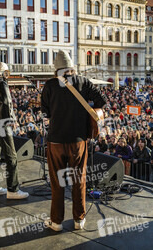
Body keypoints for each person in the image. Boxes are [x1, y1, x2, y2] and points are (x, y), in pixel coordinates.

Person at [41, 50, 106, 232]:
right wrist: (86, 112)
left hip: (56, 142)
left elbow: (45, 113)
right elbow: (102, 101)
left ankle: (56, 222)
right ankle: (79, 219)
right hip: (78, 141)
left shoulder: (50, 85)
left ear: (57, 70)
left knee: (57, 182)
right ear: (72, 68)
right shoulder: (83, 82)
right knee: (79, 180)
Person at [0, 62, 29, 200]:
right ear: (5, 72)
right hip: (2, 123)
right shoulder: (1, 82)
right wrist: (11, 120)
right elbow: (7, 102)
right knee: (11, 156)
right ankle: (13, 189)